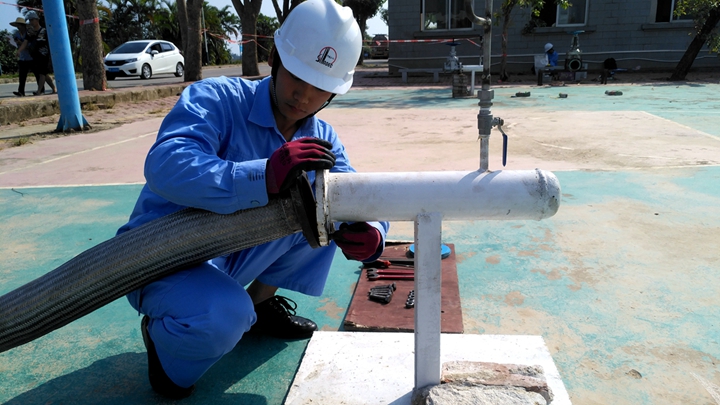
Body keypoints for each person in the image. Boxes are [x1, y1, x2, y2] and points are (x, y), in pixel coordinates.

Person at [116, 0, 389, 399]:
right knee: (223, 318)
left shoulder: (321, 137)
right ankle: (166, 345)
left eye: (321, 87)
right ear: (275, 58)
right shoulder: (217, 98)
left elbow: (350, 190)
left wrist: (373, 232)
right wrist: (262, 175)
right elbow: (166, 164)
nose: (304, 95)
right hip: (162, 256)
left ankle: (258, 307)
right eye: (298, 76)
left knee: (324, 210)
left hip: (226, 254)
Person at [17, 11, 56, 96]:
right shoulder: (30, 32)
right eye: (30, 20)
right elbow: (25, 42)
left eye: (32, 20)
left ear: (37, 20)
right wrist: (19, 50)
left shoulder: (44, 31)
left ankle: (39, 91)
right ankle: (53, 88)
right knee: (44, 74)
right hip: (35, 56)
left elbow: (51, 42)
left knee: (41, 73)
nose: (31, 22)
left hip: (44, 55)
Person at [10, 17, 33, 97]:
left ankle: (41, 89)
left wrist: (21, 43)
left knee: (37, 73)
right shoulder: (17, 34)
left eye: (19, 25)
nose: (18, 27)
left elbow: (30, 45)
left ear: (23, 25)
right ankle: (21, 91)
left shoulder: (29, 33)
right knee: (22, 76)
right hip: (22, 57)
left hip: (30, 56)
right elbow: (16, 45)